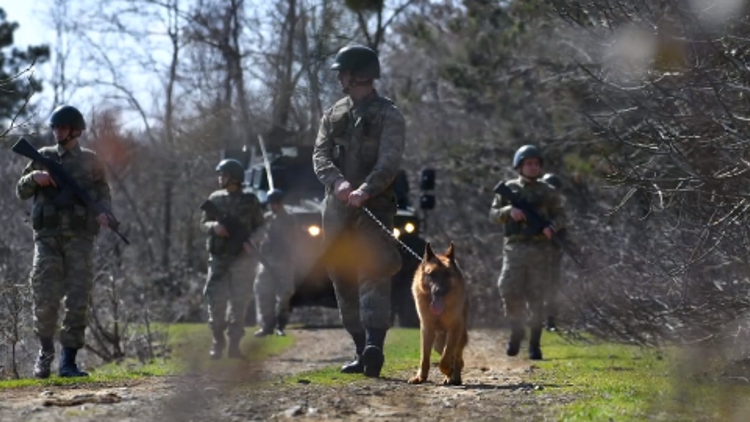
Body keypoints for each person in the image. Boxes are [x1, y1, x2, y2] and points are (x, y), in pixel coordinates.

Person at [312, 44, 406, 378]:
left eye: (344, 72)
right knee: (341, 277)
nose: (339, 77)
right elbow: (320, 155)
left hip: (374, 207)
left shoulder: (389, 114)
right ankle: (359, 348)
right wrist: (337, 183)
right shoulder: (333, 113)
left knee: (373, 273)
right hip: (336, 211)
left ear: (359, 74)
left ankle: (374, 348)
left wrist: (366, 189)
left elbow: (390, 161)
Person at [16, 105, 113, 378]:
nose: (57, 132)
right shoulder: (43, 157)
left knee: (78, 300)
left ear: (76, 130)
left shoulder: (92, 162)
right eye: (55, 128)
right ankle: (45, 355)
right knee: (45, 298)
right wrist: (34, 177)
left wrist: (105, 214)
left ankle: (68, 362)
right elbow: (20, 190)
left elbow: (104, 195)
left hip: (81, 240)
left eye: (62, 128)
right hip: (47, 240)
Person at [488, 145, 566, 360]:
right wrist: (508, 212)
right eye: (528, 164)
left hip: (540, 250)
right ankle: (516, 329)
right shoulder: (510, 189)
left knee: (536, 297)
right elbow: (493, 215)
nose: (533, 167)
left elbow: (561, 215)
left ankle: (534, 344)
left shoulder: (548, 192)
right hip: (514, 249)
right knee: (508, 289)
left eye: (536, 164)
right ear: (520, 166)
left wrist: (552, 227)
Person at [200, 159, 265, 360]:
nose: (220, 178)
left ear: (234, 178)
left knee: (240, 303)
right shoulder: (215, 199)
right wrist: (214, 227)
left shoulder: (250, 200)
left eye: (224, 175)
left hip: (242, 260)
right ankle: (217, 341)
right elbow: (202, 223)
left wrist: (252, 242)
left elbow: (260, 227)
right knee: (215, 301)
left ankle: (234, 345)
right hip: (219, 258)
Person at [253, 189, 299, 338]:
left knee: (284, 295)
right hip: (266, 261)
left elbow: (294, 239)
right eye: (271, 204)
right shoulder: (266, 219)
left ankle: (281, 325)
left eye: (276, 203)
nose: (273, 206)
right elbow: (258, 235)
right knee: (262, 292)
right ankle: (266, 326)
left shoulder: (289, 220)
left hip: (284, 261)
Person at [541, 173, 564, 332]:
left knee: (552, 287)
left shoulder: (558, 210)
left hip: (553, 252)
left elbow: (563, 224)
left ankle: (550, 320)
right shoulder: (536, 206)